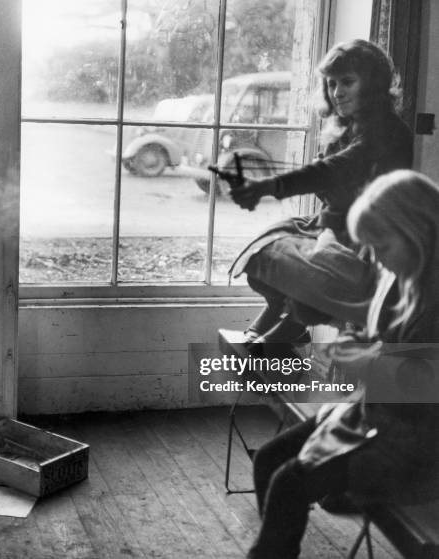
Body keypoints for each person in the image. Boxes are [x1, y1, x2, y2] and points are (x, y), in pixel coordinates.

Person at [246, 169, 439, 559]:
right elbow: (394, 350)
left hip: (419, 449)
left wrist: (367, 363)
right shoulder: (407, 278)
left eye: (382, 246)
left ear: (418, 231)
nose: (378, 260)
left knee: (288, 482)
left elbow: (425, 389)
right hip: (381, 418)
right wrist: (361, 346)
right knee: (269, 459)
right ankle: (278, 542)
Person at [214, 39, 413, 351]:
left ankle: (291, 325)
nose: (337, 92)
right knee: (263, 252)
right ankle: (280, 315)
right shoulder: (347, 126)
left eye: (347, 82)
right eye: (331, 84)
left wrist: (270, 186)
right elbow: (330, 181)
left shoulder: (388, 130)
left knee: (310, 276)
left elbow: (337, 169)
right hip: (334, 223)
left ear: (373, 84)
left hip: (371, 238)